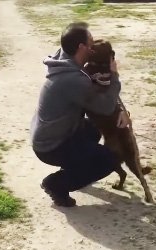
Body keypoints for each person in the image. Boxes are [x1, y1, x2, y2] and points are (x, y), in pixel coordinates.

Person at [31, 22, 131, 207]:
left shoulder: (66, 60)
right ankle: (56, 184)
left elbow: (98, 94)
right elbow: (105, 107)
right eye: (91, 42)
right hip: (51, 146)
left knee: (92, 130)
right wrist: (114, 76)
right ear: (81, 47)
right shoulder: (72, 79)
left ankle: (72, 169)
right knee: (108, 160)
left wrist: (122, 110)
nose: (94, 45)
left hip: (51, 133)